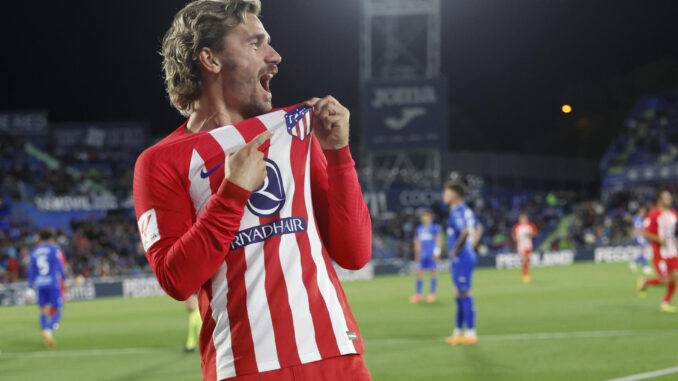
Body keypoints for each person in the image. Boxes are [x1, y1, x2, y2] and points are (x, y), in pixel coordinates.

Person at [133, 1, 372, 380]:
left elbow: (355, 253)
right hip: (245, 368)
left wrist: (339, 154)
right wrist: (231, 194)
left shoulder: (294, 133)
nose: (274, 56)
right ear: (210, 60)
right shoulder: (162, 161)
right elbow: (176, 280)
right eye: (256, 43)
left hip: (338, 358)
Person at [442, 182, 478, 345]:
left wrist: (456, 249)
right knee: (458, 293)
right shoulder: (465, 210)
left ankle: (470, 333)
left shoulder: (457, 211)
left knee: (464, 293)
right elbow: (479, 227)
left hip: (462, 256)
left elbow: (465, 231)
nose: (444, 195)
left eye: (447, 192)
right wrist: (473, 244)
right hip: (465, 254)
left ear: (455, 194)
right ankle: (458, 331)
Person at [638, 190, 678, 312]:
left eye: (670, 197)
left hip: (673, 251)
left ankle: (665, 303)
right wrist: (658, 239)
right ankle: (644, 282)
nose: (669, 199)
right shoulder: (653, 214)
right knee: (665, 280)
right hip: (660, 252)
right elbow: (644, 232)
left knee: (676, 276)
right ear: (660, 200)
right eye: (666, 197)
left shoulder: (673, 213)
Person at [27, 229, 66, 348]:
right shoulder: (54, 249)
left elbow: (32, 270)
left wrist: (30, 287)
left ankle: (45, 334)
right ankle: (48, 330)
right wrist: (64, 279)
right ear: (51, 239)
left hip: (40, 283)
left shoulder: (35, 251)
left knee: (43, 310)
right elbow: (59, 265)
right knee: (58, 309)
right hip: (52, 282)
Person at [410, 210, 442, 303]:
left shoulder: (435, 227)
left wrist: (437, 252)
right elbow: (417, 241)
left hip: (431, 254)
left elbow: (438, 239)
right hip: (422, 254)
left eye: (427, 216)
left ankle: (432, 294)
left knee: (433, 272)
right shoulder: (419, 228)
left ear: (430, 218)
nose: (425, 218)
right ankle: (419, 295)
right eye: (424, 217)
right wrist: (417, 253)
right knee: (419, 273)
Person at [512, 214, 538, 283]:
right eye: (522, 219)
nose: (523, 220)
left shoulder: (530, 225)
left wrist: (530, 235)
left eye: (524, 219)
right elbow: (514, 235)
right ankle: (525, 275)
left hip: (528, 244)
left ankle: (525, 274)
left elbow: (535, 233)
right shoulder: (517, 226)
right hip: (521, 244)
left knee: (526, 259)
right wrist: (515, 239)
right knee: (525, 259)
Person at [629, 206, 652, 275]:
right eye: (643, 211)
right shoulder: (638, 218)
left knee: (643, 252)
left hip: (640, 236)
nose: (644, 212)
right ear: (640, 211)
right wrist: (639, 237)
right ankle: (645, 267)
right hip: (639, 237)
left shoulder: (639, 218)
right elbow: (636, 228)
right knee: (643, 252)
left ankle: (634, 263)